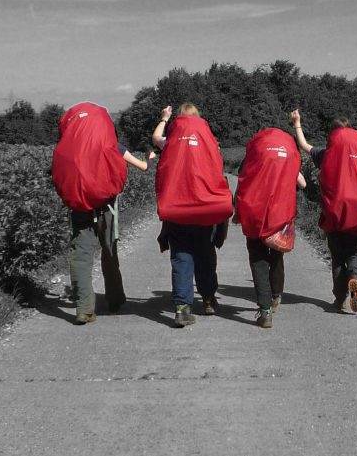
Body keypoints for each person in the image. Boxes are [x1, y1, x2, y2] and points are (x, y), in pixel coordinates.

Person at [51, 101, 153, 325]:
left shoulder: (71, 148)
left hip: (79, 202)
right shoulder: (115, 146)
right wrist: (150, 157)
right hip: (106, 202)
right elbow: (143, 166)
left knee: (81, 253)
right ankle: (115, 299)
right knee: (109, 249)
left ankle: (84, 308)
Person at [290, 101, 357, 313]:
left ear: (332, 134)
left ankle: (339, 299)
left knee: (337, 257)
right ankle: (356, 284)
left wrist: (297, 123)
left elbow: (305, 146)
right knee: (355, 254)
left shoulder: (326, 153)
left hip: (334, 215)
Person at [152, 103, 233, 328]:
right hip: (204, 208)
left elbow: (155, 137)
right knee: (205, 254)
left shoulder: (170, 142)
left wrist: (165, 118)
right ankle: (208, 299)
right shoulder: (209, 142)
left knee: (181, 257)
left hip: (177, 209)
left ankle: (182, 308)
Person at [234, 126, 306, 329]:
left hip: (255, 213)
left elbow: (241, 181)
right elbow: (303, 184)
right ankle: (276, 297)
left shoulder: (252, 158)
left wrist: (238, 208)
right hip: (280, 214)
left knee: (258, 260)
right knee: (276, 255)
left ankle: (265, 311)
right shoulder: (288, 159)